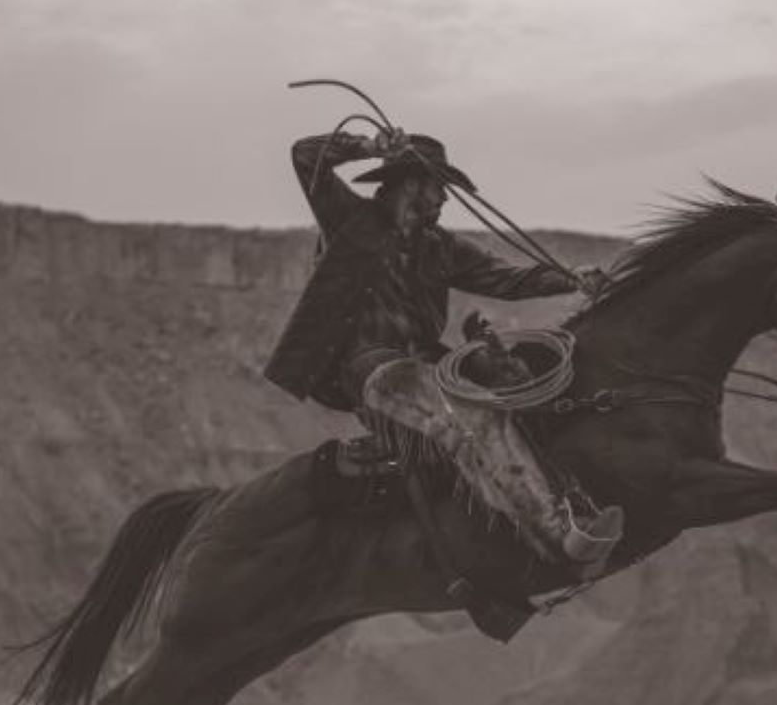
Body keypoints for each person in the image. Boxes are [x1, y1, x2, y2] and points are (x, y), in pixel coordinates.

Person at [264, 126, 624, 570]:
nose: (445, 199)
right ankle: (555, 534)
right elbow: (304, 156)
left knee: (519, 384)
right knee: (472, 413)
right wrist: (367, 147)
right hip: (371, 369)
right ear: (411, 184)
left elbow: (507, 278)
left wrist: (570, 278)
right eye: (438, 187)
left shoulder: (440, 247)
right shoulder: (348, 219)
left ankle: (561, 499)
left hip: (423, 364)